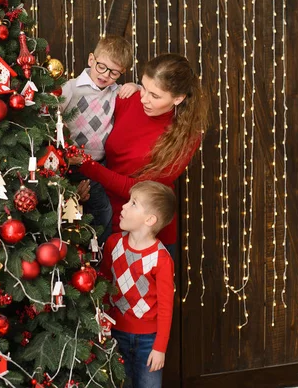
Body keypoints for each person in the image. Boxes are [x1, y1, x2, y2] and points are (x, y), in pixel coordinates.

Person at [70, 53, 209, 257]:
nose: (144, 98)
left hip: (146, 232)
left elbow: (139, 189)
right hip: (104, 218)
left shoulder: (186, 137)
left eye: (155, 95)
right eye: (143, 86)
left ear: (178, 99)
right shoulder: (131, 99)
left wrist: (87, 165)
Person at [59, 35, 139, 245]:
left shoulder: (115, 93)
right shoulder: (71, 88)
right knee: (67, 211)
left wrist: (135, 87)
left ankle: (98, 252)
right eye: (101, 67)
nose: (105, 75)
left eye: (114, 72)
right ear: (91, 60)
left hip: (96, 164)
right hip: (68, 162)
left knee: (103, 211)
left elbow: (139, 92)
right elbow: (53, 112)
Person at [99, 181, 176, 388]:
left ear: (150, 220)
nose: (123, 207)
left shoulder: (161, 259)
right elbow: (105, 284)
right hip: (115, 334)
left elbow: (166, 307)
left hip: (148, 342)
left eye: (133, 203)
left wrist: (160, 348)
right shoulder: (113, 244)